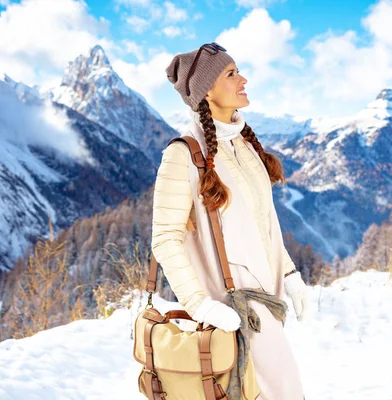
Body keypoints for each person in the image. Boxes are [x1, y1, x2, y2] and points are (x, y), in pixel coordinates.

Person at [151, 42, 307, 400]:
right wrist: (200, 305)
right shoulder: (183, 155)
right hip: (231, 307)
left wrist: (289, 275)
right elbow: (165, 238)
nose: (244, 80)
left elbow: (265, 220)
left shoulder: (247, 147)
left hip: (267, 304)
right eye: (231, 74)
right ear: (207, 90)